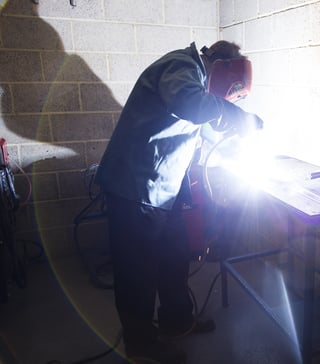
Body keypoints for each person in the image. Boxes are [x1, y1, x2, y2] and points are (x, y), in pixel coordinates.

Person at [94, 40, 263, 364]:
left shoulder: (198, 84)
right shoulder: (182, 67)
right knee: (137, 272)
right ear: (223, 67)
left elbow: (206, 131)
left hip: (162, 191)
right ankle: (141, 343)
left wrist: (238, 145)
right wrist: (240, 117)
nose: (228, 100)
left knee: (175, 255)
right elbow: (191, 105)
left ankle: (177, 320)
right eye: (232, 93)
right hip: (134, 188)